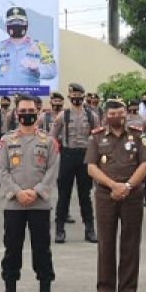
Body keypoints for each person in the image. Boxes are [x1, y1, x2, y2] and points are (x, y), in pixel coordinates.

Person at [0, 95, 60, 292]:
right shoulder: (6, 141)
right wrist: (17, 192)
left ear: (38, 113)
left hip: (39, 203)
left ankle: (45, 290)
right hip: (14, 204)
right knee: (12, 248)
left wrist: (37, 191)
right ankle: (10, 289)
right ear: (16, 113)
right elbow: (2, 170)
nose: (27, 114)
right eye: (22, 111)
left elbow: (52, 169)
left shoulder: (48, 141)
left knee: (42, 248)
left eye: (31, 110)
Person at [86, 99, 146, 292]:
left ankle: (128, 291)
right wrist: (113, 186)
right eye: (113, 114)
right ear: (106, 116)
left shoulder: (137, 134)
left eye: (121, 113)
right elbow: (91, 167)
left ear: (126, 114)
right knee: (106, 242)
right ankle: (105, 291)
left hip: (132, 195)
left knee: (131, 243)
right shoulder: (97, 137)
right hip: (106, 196)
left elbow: (145, 164)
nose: (118, 117)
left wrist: (127, 186)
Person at [50, 82, 98, 244]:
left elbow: (97, 138)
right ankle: (59, 230)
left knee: (85, 195)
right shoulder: (63, 116)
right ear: (70, 97)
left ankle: (90, 229)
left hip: (85, 157)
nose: (76, 99)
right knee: (64, 195)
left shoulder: (92, 116)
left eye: (79, 97)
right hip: (68, 156)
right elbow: (52, 138)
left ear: (83, 97)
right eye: (73, 97)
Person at [0, 6, 58, 89]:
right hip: (4, 99)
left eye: (20, 21)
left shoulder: (39, 46)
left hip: (30, 99)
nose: (16, 25)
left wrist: (38, 68)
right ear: (6, 26)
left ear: (27, 25)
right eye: (12, 22)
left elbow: (53, 71)